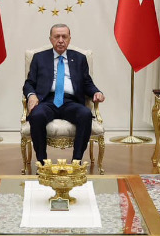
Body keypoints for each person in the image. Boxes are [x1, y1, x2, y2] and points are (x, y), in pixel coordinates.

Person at [23, 24, 105, 164]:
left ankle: (76, 162)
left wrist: (96, 92)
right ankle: (42, 163)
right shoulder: (39, 58)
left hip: (70, 102)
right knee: (36, 116)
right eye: (57, 37)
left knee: (85, 114)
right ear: (51, 39)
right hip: (47, 101)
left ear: (69, 39)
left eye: (64, 37)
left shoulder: (80, 58)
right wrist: (31, 95)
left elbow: (87, 83)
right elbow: (29, 83)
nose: (61, 40)